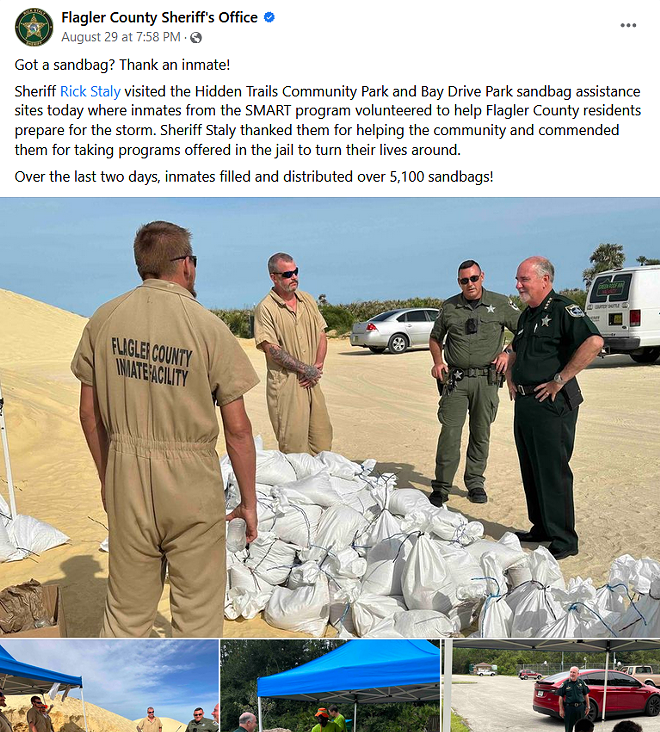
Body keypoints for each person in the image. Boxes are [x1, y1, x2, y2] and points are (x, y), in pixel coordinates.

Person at [71, 221, 259, 637]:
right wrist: (248, 502)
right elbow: (239, 430)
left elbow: (89, 414)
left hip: (126, 472)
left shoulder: (104, 319)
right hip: (191, 481)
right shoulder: (208, 327)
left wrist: (110, 480)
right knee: (197, 614)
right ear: (185, 266)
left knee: (125, 614)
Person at [507, 256, 603, 559]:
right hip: (525, 403)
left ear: (544, 280)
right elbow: (516, 349)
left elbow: (594, 342)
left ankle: (564, 539)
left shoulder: (562, 309)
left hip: (550, 404)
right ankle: (543, 528)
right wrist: (510, 375)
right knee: (532, 468)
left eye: (524, 279)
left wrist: (560, 380)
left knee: (552, 470)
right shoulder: (527, 315)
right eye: (518, 279)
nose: (518, 284)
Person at [429, 259, 520, 506]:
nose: (469, 284)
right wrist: (438, 362)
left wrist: (507, 353)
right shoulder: (449, 307)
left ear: (482, 276)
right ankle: (442, 486)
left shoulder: (500, 303)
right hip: (456, 381)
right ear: (458, 282)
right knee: (449, 433)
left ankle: (475, 483)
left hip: (486, 380)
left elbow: (524, 330)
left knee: (481, 433)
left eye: (473, 278)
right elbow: (435, 338)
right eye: (464, 280)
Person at [254, 253, 332, 454]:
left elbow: (321, 334)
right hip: (288, 386)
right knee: (295, 448)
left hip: (312, 380)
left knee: (323, 441)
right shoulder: (266, 308)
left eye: (296, 272)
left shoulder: (307, 300)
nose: (294, 277)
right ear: (274, 277)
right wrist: (304, 369)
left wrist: (317, 366)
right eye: (288, 274)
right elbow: (272, 350)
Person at [558, 667, 590, 732]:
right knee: (568, 728)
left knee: (581, 728)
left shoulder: (581, 683)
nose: (572, 674)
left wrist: (588, 706)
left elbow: (586, 695)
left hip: (580, 708)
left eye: (574, 672)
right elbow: (560, 697)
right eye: (571, 672)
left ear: (578, 674)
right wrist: (561, 709)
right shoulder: (565, 684)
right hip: (569, 708)